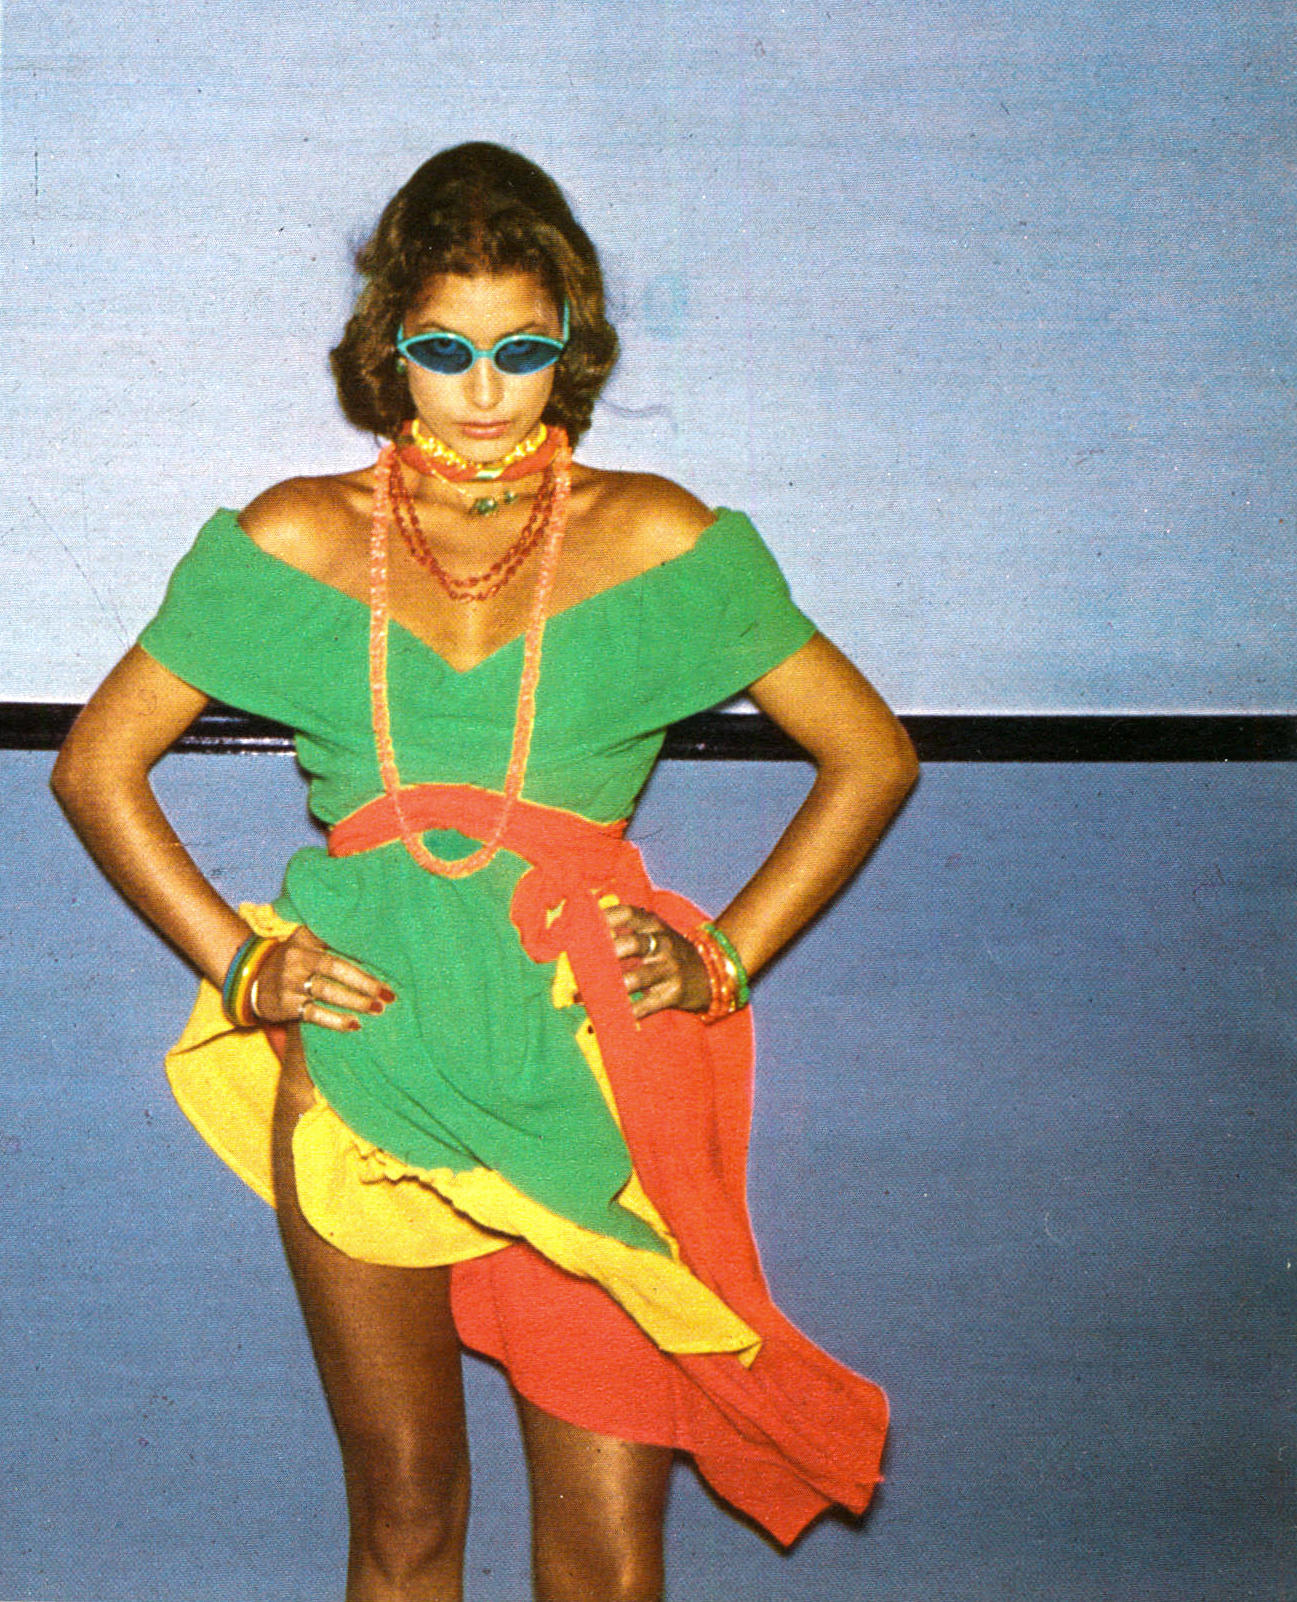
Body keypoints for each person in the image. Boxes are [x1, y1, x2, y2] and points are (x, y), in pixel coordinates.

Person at [52, 142, 918, 1602]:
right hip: (366, 1060)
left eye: (521, 348)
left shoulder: (656, 534)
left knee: (604, 1550)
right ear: (387, 343)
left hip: (581, 1055)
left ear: (569, 345)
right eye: (444, 348)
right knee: (404, 1517)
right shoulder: (299, 533)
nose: (483, 388)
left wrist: (721, 955)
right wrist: (244, 963)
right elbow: (94, 766)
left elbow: (870, 755)